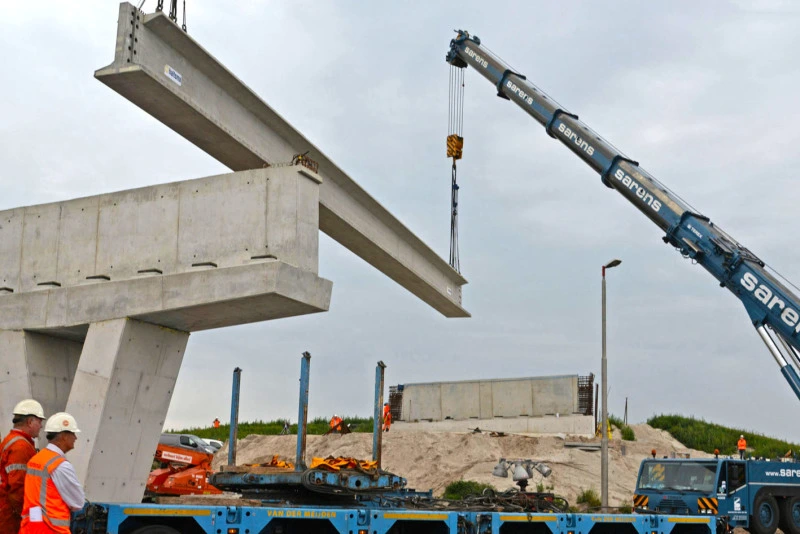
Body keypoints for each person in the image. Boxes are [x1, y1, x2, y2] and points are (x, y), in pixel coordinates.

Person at [19, 412, 85, 534]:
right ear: (64, 436)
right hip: (52, 530)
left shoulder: (36, 459)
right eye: (73, 433)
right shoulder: (60, 465)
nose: (75, 438)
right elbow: (78, 502)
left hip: (30, 528)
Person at [0, 399, 46, 534]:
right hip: (11, 517)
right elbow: (18, 486)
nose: (41, 426)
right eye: (39, 421)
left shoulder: (11, 441)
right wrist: (29, 518)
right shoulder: (21, 447)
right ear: (30, 422)